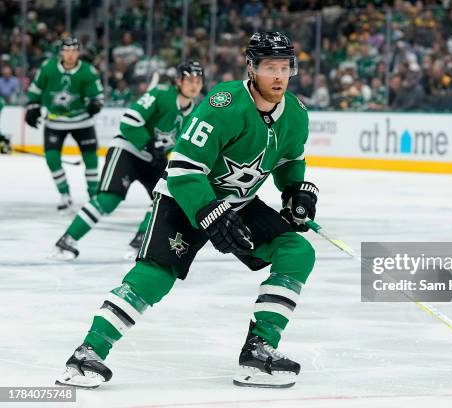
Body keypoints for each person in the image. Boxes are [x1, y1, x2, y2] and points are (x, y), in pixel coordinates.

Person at [55, 32, 318, 390]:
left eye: (285, 68)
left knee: (297, 251)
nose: (278, 76)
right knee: (156, 274)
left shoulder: (297, 114)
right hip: (185, 198)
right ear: (252, 68)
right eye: (270, 67)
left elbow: (289, 161)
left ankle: (259, 351)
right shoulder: (224, 103)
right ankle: (87, 354)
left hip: (237, 204)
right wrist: (208, 210)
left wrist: (295, 193)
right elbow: (182, 167)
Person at [51, 61, 204, 260]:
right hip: (128, 150)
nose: (195, 85)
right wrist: (148, 144)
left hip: (153, 159)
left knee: (165, 197)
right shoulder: (160, 94)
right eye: (190, 80)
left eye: (199, 81)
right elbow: (129, 122)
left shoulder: (196, 113)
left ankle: (140, 241)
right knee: (109, 199)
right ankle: (67, 240)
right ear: (178, 80)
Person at [25, 37, 104, 211]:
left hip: (82, 121)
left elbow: (97, 96)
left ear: (78, 52)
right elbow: (35, 90)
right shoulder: (48, 67)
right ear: (61, 52)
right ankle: (64, 194)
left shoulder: (88, 71)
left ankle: (94, 196)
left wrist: (95, 105)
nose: (70, 55)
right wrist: (32, 107)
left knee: (91, 159)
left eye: (74, 51)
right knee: (52, 158)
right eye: (67, 51)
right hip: (55, 121)